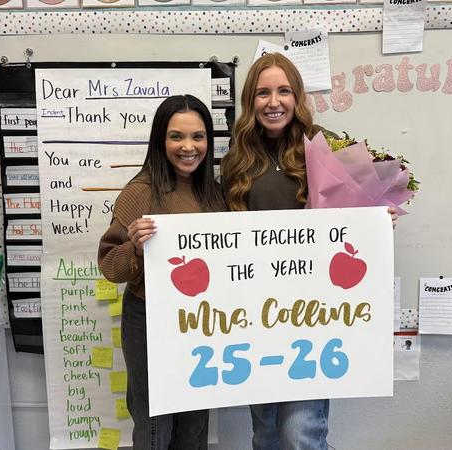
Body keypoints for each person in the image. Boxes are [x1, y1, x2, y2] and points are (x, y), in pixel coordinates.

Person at [221, 53, 398, 450]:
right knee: (266, 435)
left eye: (283, 91)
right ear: (251, 101)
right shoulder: (237, 160)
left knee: (300, 432)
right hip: (258, 315)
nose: (273, 101)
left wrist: (377, 222)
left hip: (314, 316)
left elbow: (354, 211)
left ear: (297, 96)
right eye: (263, 93)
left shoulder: (321, 146)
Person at [98, 94, 225, 450]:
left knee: (195, 419)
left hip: (203, 319)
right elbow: (109, 266)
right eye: (176, 136)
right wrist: (134, 247)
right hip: (150, 319)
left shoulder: (215, 195)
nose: (189, 146)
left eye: (198, 137)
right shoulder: (139, 193)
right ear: (160, 140)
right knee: (155, 425)